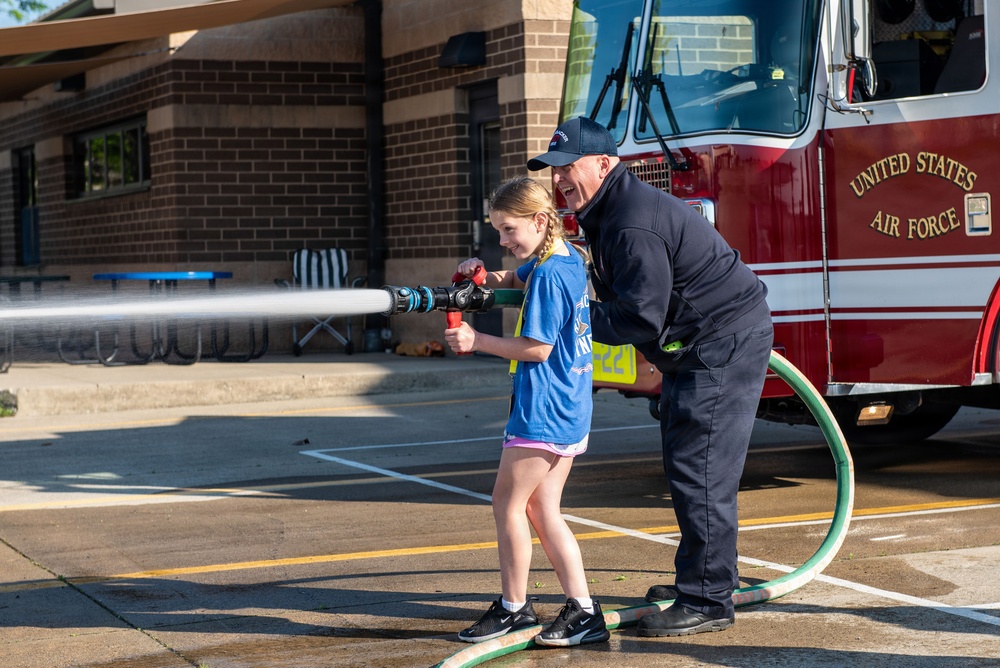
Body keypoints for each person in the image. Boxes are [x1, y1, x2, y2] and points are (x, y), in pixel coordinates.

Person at [527, 117, 773, 637]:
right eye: (554, 170)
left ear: (604, 163)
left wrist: (571, 317)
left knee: (700, 470)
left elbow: (639, 318)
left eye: (568, 167)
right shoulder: (607, 209)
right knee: (690, 464)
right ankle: (706, 579)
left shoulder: (630, 223)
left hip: (720, 344)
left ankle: (707, 600)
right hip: (696, 344)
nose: (559, 179)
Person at [444, 175, 609, 648]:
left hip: (544, 408)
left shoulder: (551, 274)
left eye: (508, 229)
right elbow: (514, 278)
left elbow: (537, 348)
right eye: (497, 230)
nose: (502, 240)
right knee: (541, 508)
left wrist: (477, 340)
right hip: (568, 404)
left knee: (508, 504)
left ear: (539, 220)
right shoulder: (562, 257)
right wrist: (481, 277)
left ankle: (514, 608)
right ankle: (583, 611)